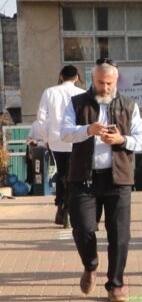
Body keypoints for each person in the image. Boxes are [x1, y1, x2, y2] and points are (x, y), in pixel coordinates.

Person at [59, 61, 142, 302]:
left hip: (118, 179)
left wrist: (121, 139)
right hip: (83, 179)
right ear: (92, 79)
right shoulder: (77, 103)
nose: (105, 87)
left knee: (120, 235)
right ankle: (90, 265)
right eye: (101, 82)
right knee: (82, 228)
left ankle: (116, 284)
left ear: (116, 81)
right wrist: (88, 129)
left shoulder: (129, 105)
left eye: (110, 83)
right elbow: (64, 132)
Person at [29, 64, 85, 226]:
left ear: (61, 76)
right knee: (75, 174)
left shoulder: (49, 92)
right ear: (76, 78)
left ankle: (61, 207)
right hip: (76, 138)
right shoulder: (82, 93)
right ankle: (72, 208)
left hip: (56, 139)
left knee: (62, 172)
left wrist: (46, 137)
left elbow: (41, 117)